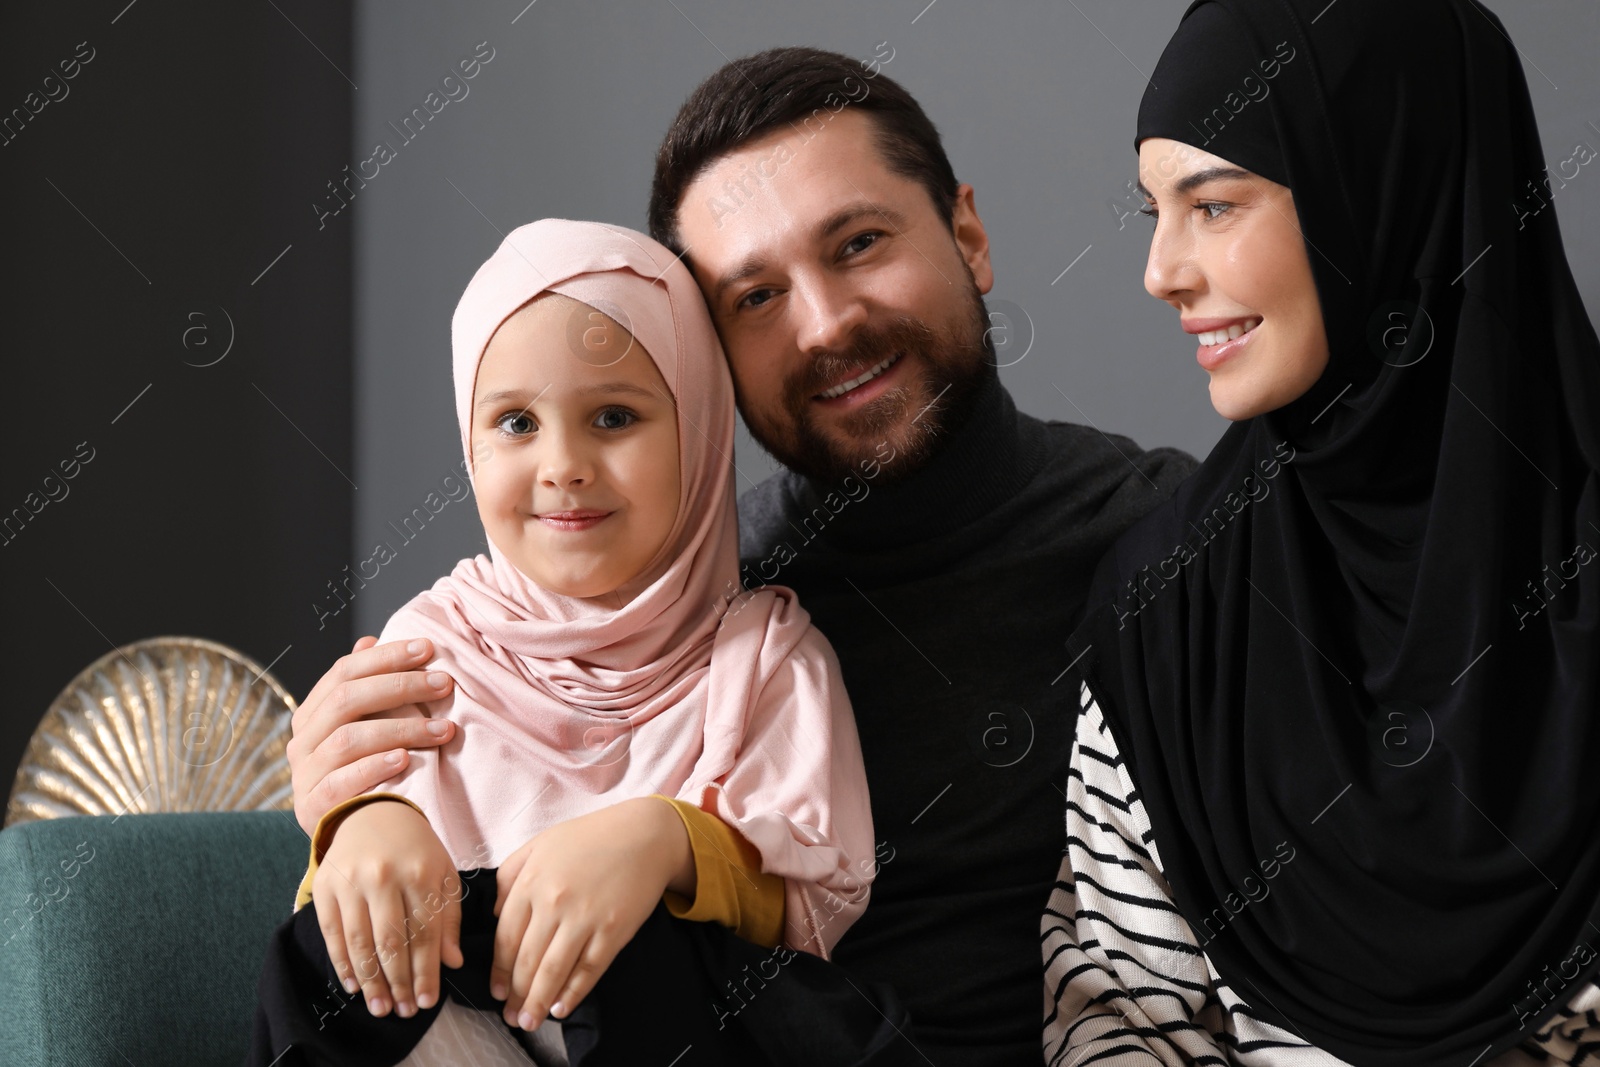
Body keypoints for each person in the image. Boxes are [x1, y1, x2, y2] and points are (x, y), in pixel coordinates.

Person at [286, 49, 1198, 1065]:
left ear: (967, 235)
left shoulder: (1168, 534)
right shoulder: (686, 595)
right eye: (754, 297)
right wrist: (353, 806)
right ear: (704, 355)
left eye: (857, 243)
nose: (826, 323)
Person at [1042, 0, 1600, 1064]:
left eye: (1212, 206)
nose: (1160, 270)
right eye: (1153, 210)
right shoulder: (1168, 613)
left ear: (1389, 192)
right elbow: (1113, 1018)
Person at [249, 218, 892, 1066]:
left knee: (631, 944)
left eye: (614, 415)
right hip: (471, 1031)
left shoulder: (768, 657)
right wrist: (368, 823)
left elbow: (811, 892)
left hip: (677, 1027)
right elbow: (352, 896)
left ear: (698, 432)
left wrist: (661, 841)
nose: (562, 465)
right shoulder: (431, 646)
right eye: (516, 423)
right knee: (319, 961)